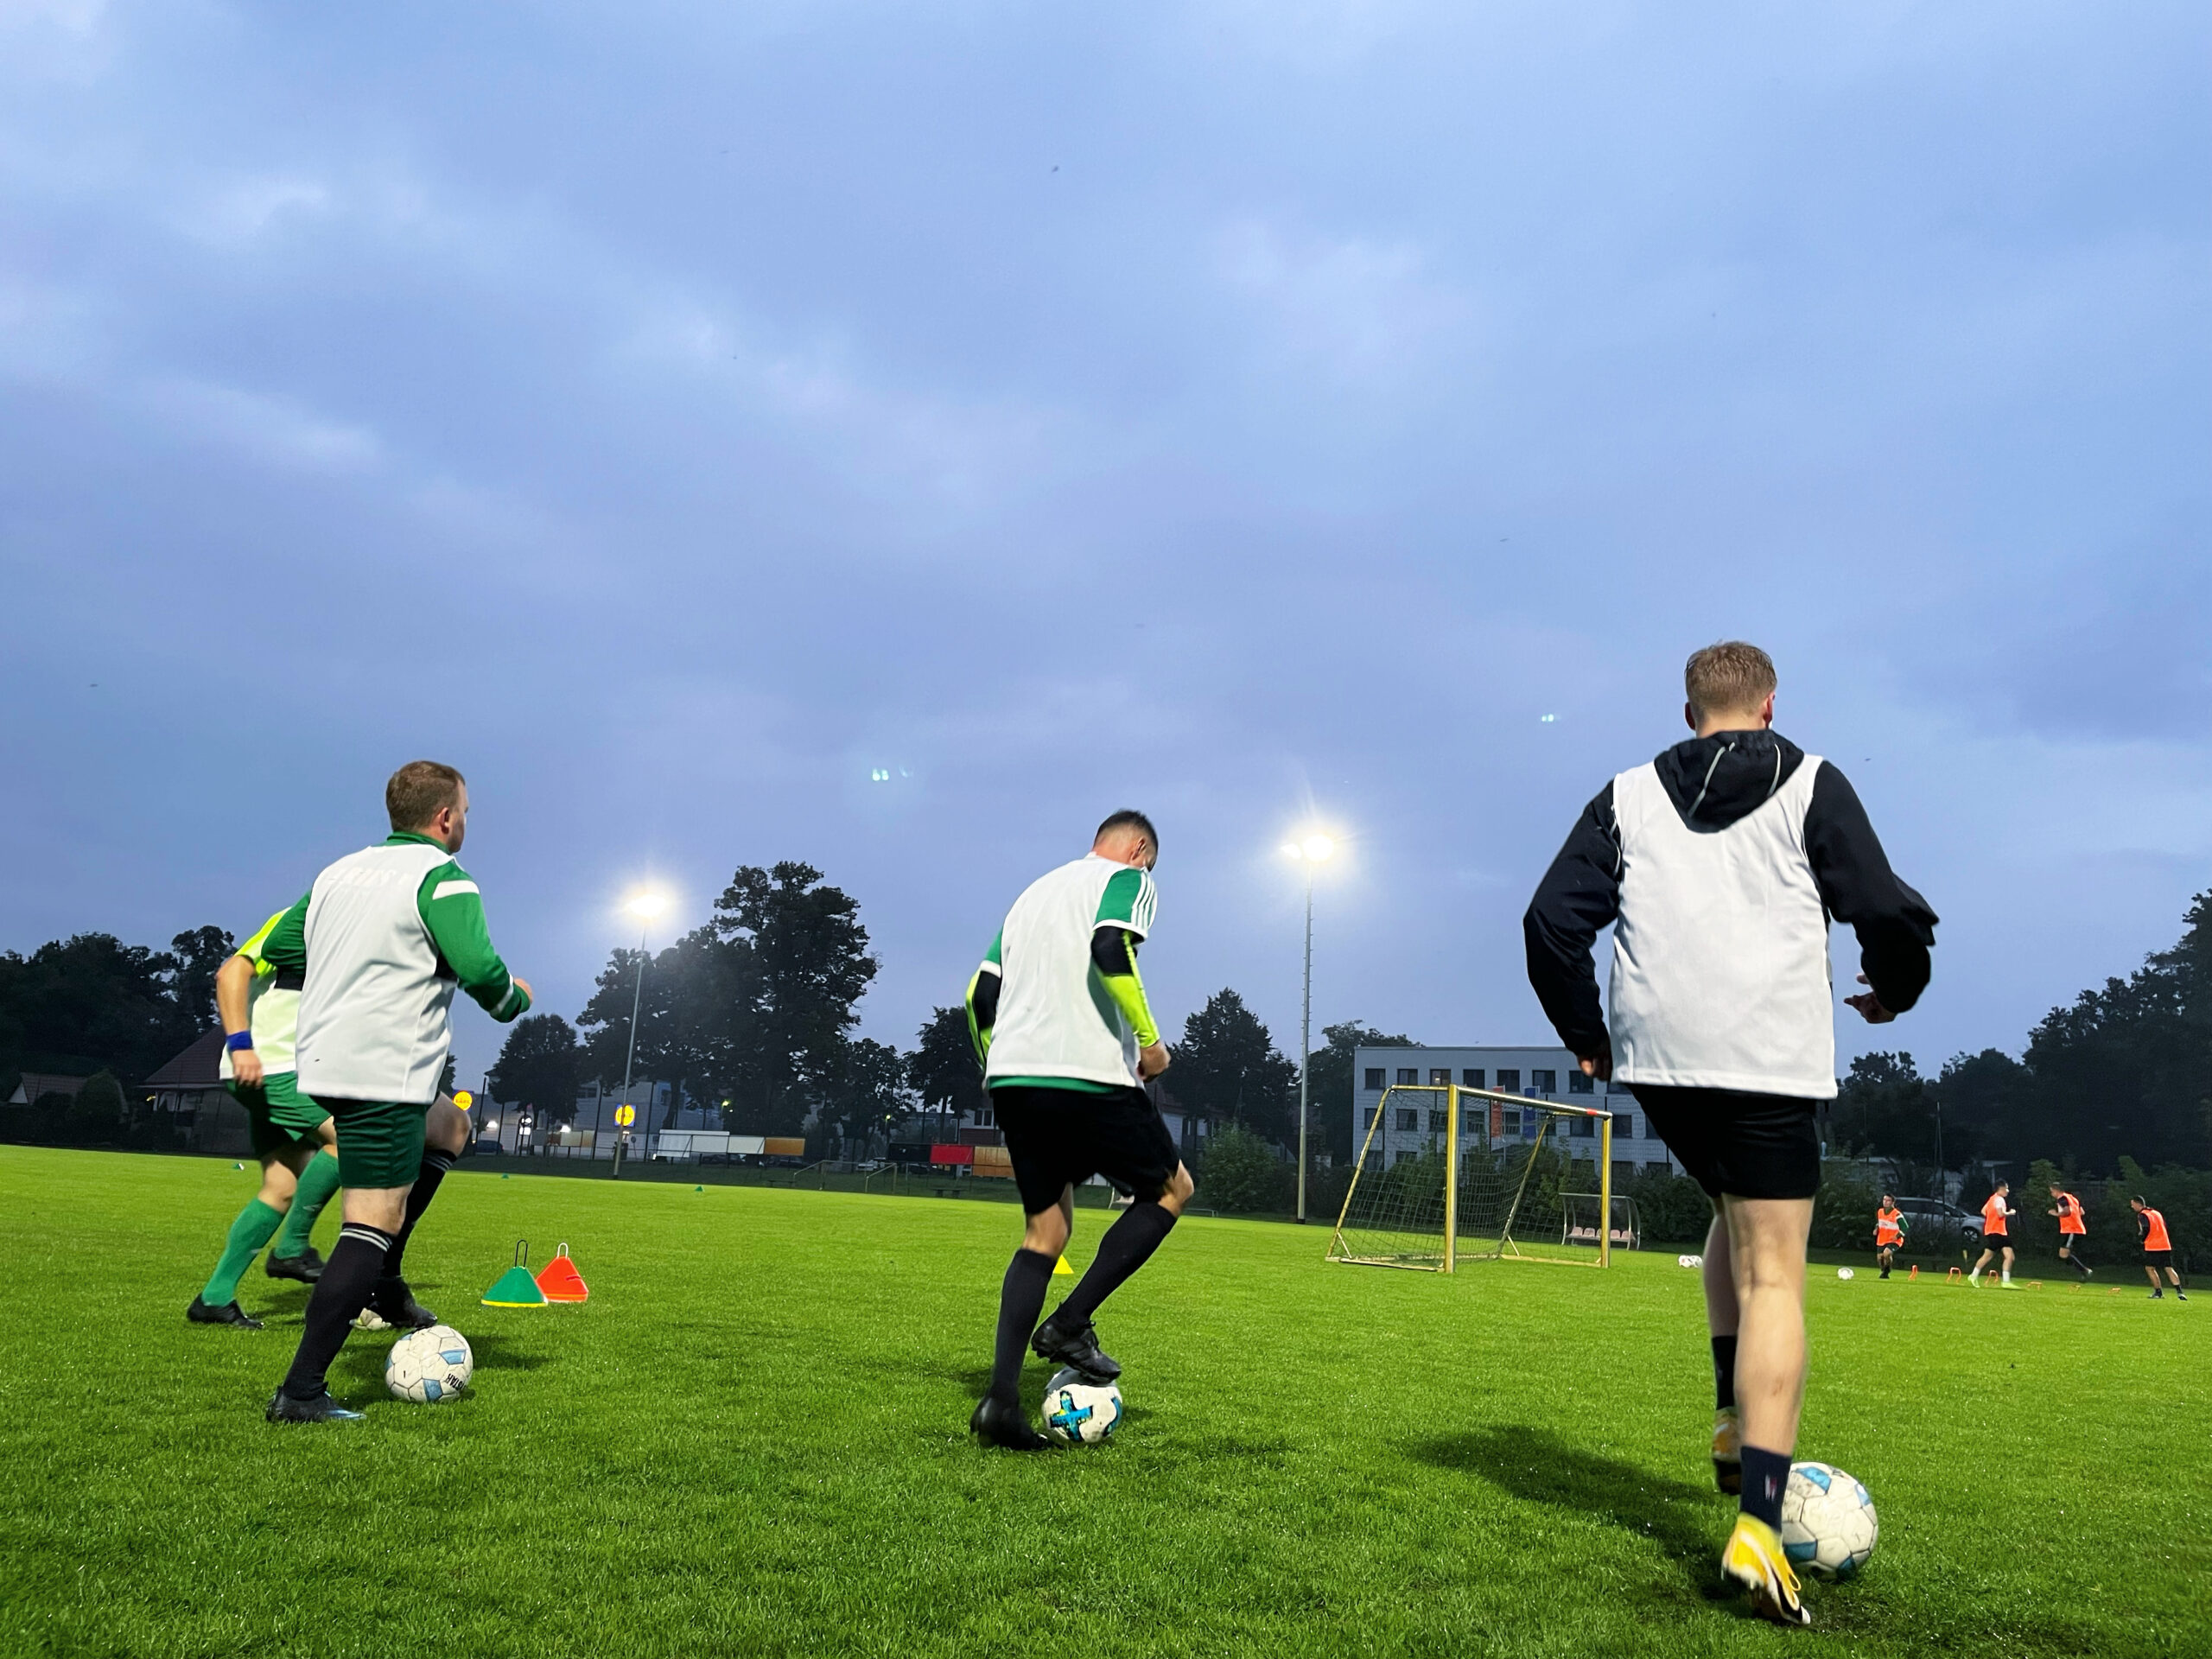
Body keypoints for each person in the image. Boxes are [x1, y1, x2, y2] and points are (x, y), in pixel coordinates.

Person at [1525, 641, 1936, 1627]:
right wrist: (1899, 989)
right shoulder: (1812, 782)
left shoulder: (1623, 795)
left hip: (1662, 1062)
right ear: (1769, 705)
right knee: (1774, 1275)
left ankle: (1725, 1417)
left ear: (1687, 713)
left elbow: (1548, 922)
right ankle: (1756, 1531)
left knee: (1731, 1217)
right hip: (1764, 1060)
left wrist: (1589, 1035)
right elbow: (1880, 905)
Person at [260, 761, 533, 1422]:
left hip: (325, 1055)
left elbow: (285, 945)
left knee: (450, 1129)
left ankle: (385, 1280)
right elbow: (485, 976)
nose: (465, 820)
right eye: (465, 810)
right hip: (382, 1067)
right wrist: (514, 996)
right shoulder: (443, 880)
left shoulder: (337, 872)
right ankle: (300, 1392)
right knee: (369, 1221)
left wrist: (358, 965)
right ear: (445, 817)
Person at [962, 810, 1194, 1451]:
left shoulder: (1032, 895)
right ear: (1139, 848)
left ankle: (1000, 1407)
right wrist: (1148, 1043)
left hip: (1013, 1077)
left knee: (1047, 1231)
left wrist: (997, 1067)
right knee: (1172, 1190)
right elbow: (1109, 946)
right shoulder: (1129, 879)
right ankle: (1071, 1321)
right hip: (1087, 1073)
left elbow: (978, 997)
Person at [186, 907, 345, 1327]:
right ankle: (291, 1249)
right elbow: (231, 972)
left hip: (276, 1068)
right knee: (352, 1139)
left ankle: (214, 1298)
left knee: (281, 1186)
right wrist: (240, 1044)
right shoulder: (304, 919)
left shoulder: (344, 936)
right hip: (271, 1066)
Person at [2131, 1197, 2187, 1300]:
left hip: (2153, 1245)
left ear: (2139, 1204)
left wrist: (2142, 1239)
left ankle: (2158, 1292)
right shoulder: (2156, 1213)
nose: (2132, 1206)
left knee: (2150, 1268)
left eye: (2133, 1204)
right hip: (2165, 1244)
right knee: (2169, 1268)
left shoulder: (2142, 1215)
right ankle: (2180, 1292)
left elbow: (2146, 1228)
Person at [1968, 1184, 2017, 1287]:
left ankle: (1974, 1275)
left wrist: (1991, 1218)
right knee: (2007, 1256)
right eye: (2006, 1188)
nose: (2008, 1191)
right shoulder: (1999, 1199)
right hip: (1998, 1232)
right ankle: (2006, 1281)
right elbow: (2000, 1214)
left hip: (1992, 1231)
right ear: (2001, 1189)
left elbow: (1983, 1211)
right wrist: (2010, 1213)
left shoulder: (1992, 1199)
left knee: (1992, 1255)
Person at [2047, 1183, 2093, 1279]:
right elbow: (2081, 1212)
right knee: (2063, 1254)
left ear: (2056, 1190)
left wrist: (2056, 1214)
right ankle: (2084, 1272)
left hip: (2071, 1229)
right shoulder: (2073, 1198)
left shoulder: (2062, 1199)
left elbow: (2067, 1211)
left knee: (2063, 1254)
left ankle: (2085, 1271)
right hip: (2075, 1228)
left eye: (2052, 1191)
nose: (2051, 1194)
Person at [1873, 1195, 1905, 1280]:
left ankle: (1887, 1271)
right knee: (1880, 1258)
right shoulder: (1880, 1211)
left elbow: (1905, 1227)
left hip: (1894, 1240)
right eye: (1884, 1200)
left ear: (1892, 1202)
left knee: (1887, 1253)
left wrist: (1897, 1236)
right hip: (1882, 1239)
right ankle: (1884, 1271)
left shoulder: (1897, 1214)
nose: (1885, 1202)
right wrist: (1876, 1229)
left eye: (1888, 1200)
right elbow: (1879, 1222)